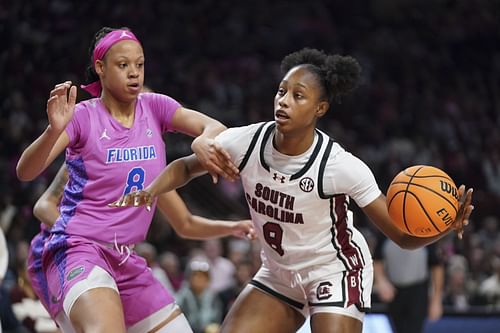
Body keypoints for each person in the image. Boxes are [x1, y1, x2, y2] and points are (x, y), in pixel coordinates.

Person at [112, 48, 474, 333]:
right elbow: (183, 168)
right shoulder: (247, 141)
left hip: (335, 271)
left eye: (297, 96)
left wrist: (444, 226)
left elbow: (404, 237)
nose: (283, 100)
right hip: (279, 273)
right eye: (281, 91)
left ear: (320, 108)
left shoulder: (339, 165)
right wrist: (152, 189)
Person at [15, 26, 252, 333]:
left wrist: (201, 142)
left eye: (139, 65)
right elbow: (26, 172)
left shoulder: (155, 107)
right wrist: (53, 130)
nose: (134, 73)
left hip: (124, 256)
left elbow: (215, 127)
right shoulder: (83, 116)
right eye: (123, 65)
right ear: (100, 68)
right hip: (78, 248)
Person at [373, 236, 444, 333]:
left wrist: (436, 300)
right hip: (394, 291)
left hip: (418, 291)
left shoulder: (425, 233)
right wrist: (381, 281)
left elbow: (437, 267)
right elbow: (377, 259)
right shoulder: (387, 230)